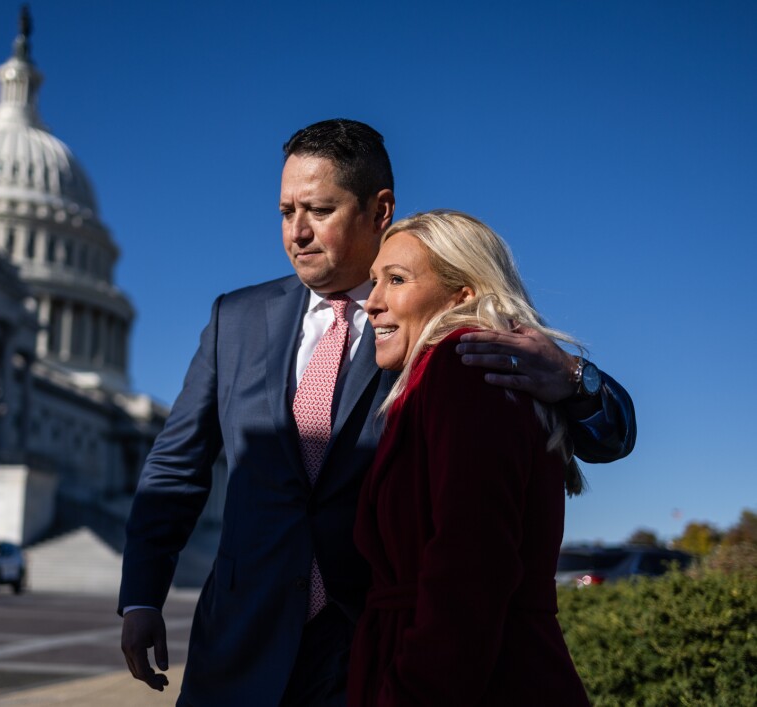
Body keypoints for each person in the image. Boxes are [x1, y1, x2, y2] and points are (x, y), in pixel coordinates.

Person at [119, 119, 633, 707]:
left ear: (378, 208)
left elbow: (604, 439)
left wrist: (572, 379)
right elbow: (175, 468)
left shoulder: (434, 324)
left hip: (373, 648)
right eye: (286, 211)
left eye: (319, 209)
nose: (297, 232)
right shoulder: (234, 319)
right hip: (238, 642)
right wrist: (141, 595)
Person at [350, 210, 590, 705]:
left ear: (464, 294)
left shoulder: (463, 365)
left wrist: (409, 692)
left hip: (480, 678)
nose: (370, 304)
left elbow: (470, 566)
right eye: (375, 282)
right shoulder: (444, 374)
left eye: (395, 280)